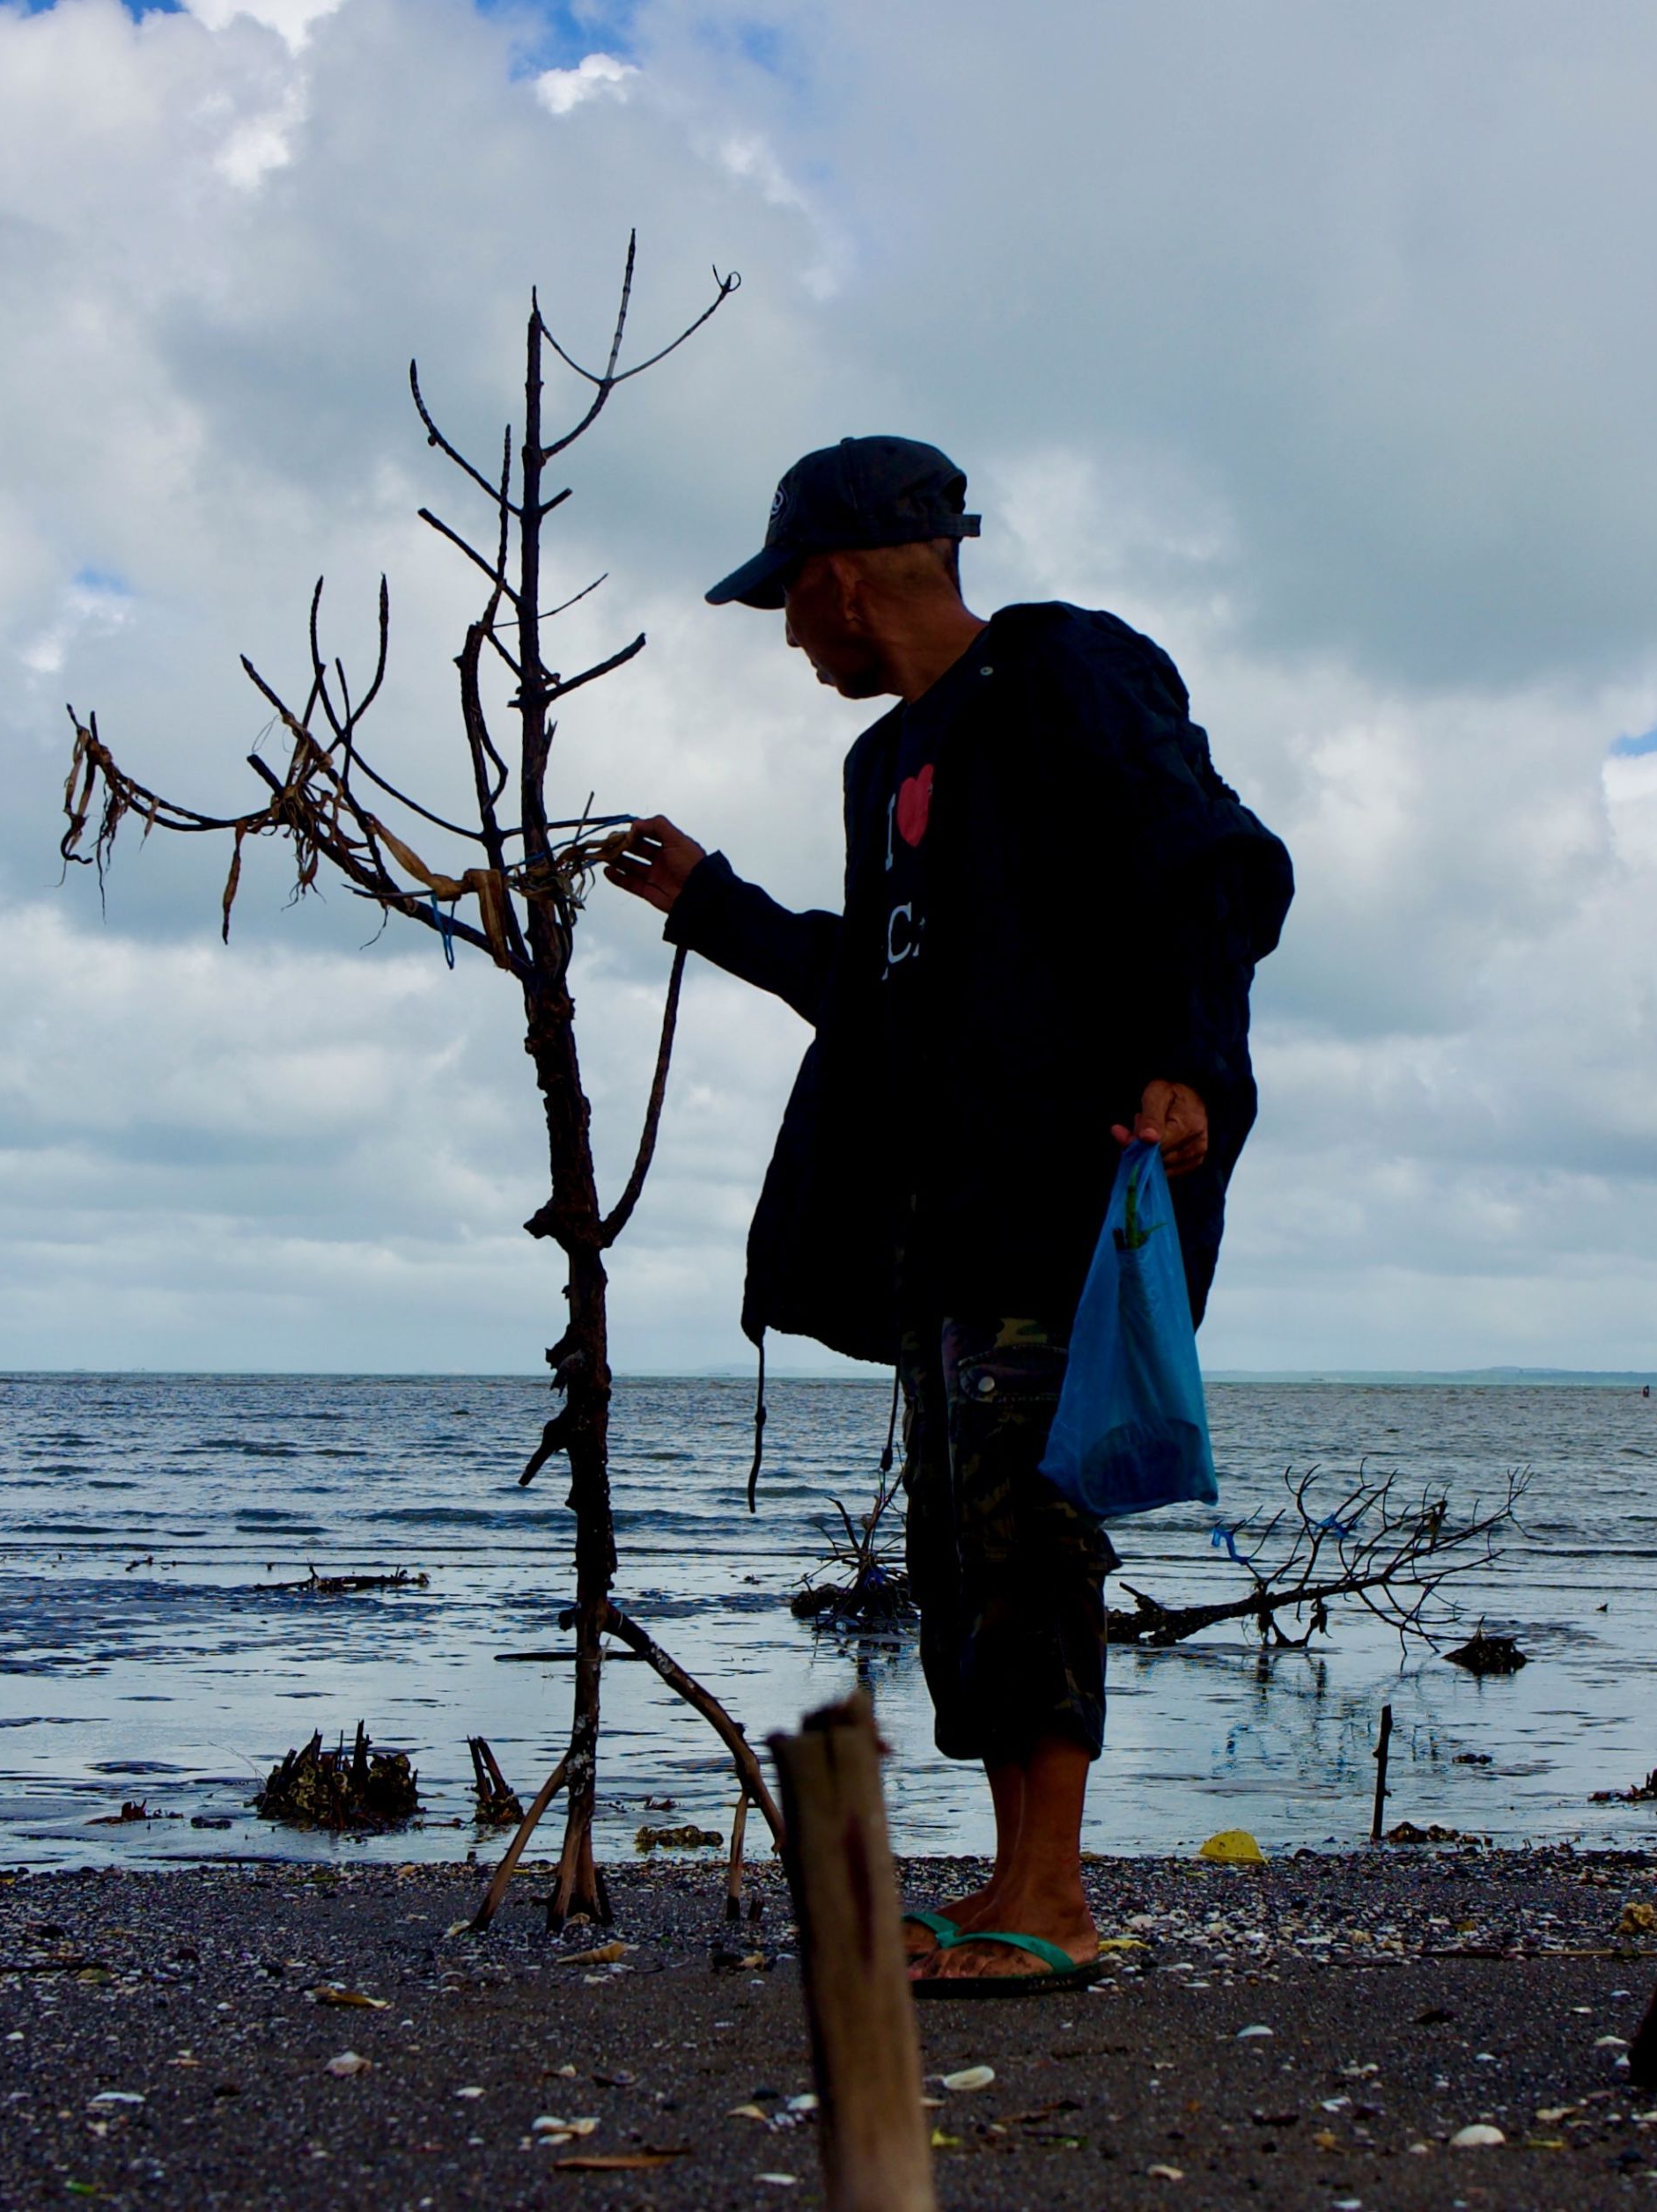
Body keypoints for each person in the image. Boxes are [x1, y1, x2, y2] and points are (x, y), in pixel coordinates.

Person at [606, 437, 1292, 1992]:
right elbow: (876, 992)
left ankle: (1054, 1897)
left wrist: (1188, 1060)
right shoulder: (882, 767)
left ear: (842, 578)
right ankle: (1009, 1880)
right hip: (943, 1222)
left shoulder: (1068, 671)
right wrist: (711, 907)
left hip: (1070, 1203)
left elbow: (1219, 869)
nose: (789, 634)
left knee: (1034, 1538)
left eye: (789, 600)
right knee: (962, 1555)